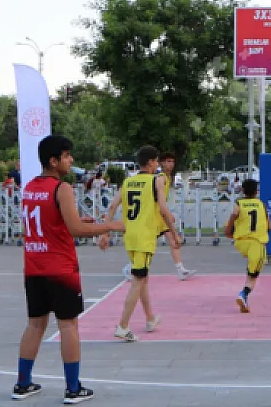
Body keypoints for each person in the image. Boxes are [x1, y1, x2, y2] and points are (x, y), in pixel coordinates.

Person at [10, 135, 126, 403]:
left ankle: (23, 383)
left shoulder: (30, 187)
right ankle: (73, 388)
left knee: (35, 325)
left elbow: (50, 221)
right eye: (66, 156)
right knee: (69, 325)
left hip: (34, 267)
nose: (70, 160)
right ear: (54, 161)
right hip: (60, 268)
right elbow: (76, 230)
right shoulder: (60, 188)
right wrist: (110, 226)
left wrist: (74, 219)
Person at [101, 146, 165, 342]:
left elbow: (112, 206)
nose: (158, 164)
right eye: (157, 161)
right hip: (145, 237)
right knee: (138, 280)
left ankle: (150, 318)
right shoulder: (156, 181)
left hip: (130, 237)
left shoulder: (128, 182)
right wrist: (172, 229)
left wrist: (105, 232)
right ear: (151, 162)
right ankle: (123, 325)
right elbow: (162, 208)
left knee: (142, 278)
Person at [223, 178, 270, 312]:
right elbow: (269, 226)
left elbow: (234, 215)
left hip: (240, 242)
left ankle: (244, 300)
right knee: (253, 274)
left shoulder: (239, 202)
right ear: (256, 192)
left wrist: (229, 230)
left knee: (251, 269)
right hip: (257, 242)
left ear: (242, 190)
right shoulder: (261, 204)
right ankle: (243, 294)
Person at [153, 152, 195, 280]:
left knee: (174, 241)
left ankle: (180, 269)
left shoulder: (168, 177)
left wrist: (167, 213)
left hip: (161, 216)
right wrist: (167, 213)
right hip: (153, 217)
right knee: (146, 246)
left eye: (172, 161)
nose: (170, 164)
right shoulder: (161, 178)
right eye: (168, 161)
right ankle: (131, 267)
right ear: (162, 163)